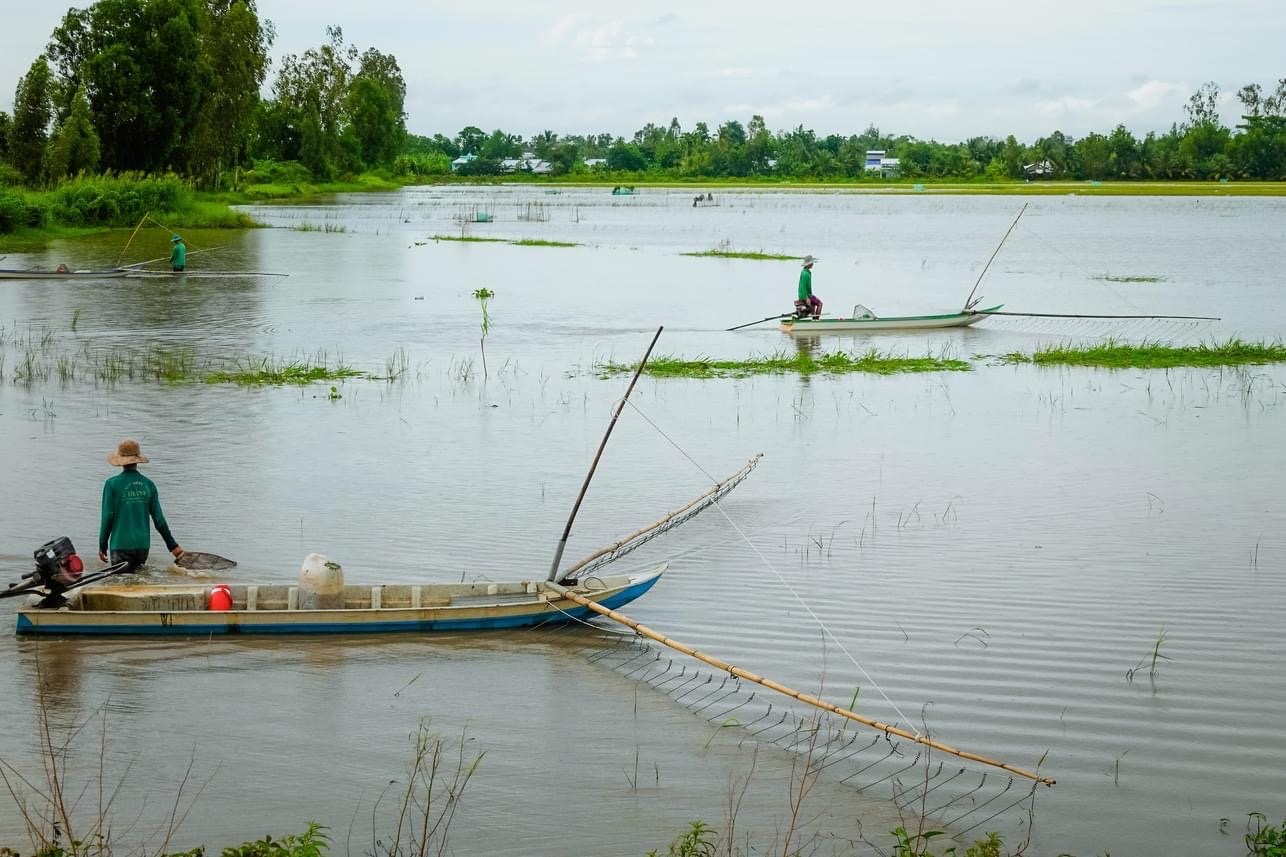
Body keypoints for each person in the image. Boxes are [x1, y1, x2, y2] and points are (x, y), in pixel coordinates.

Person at [99, 439, 184, 572]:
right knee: (138, 581)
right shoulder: (148, 484)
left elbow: (108, 516)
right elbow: (159, 519)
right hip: (142, 545)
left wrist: (102, 545)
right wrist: (173, 546)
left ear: (121, 460)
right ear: (137, 460)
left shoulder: (112, 484)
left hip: (120, 544)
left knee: (121, 583)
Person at [795, 255, 822, 319]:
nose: (813, 264)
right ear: (809, 264)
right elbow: (802, 287)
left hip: (806, 295)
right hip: (805, 295)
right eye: (812, 263)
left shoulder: (805, 272)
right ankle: (816, 319)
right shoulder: (805, 274)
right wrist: (806, 298)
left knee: (813, 305)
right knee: (820, 303)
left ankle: (814, 319)